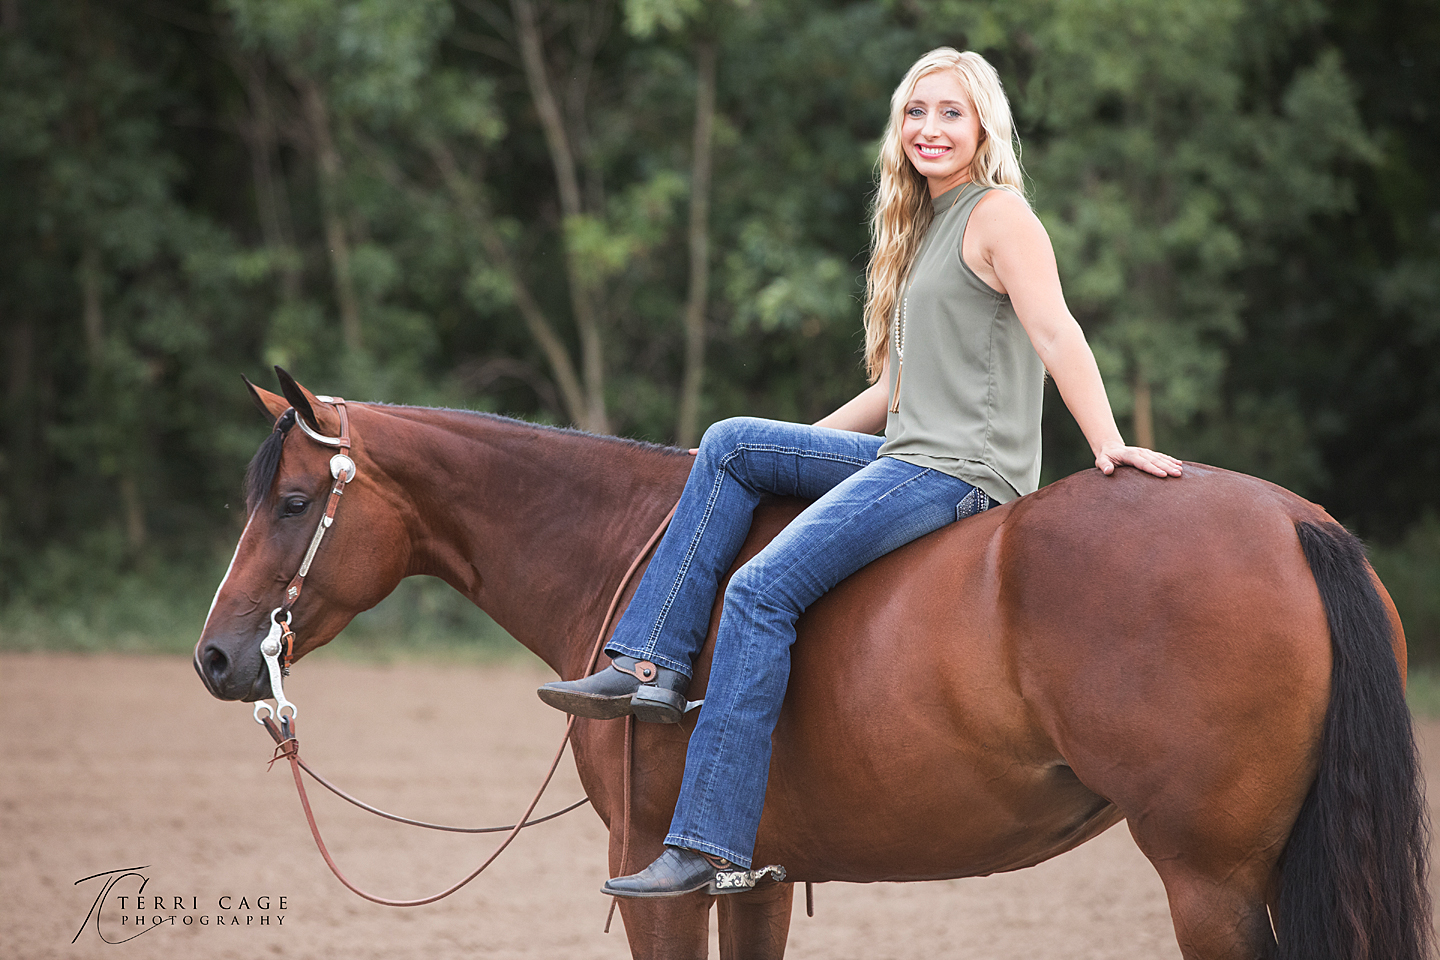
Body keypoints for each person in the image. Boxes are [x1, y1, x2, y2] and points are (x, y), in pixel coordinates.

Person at [538, 47, 1183, 898]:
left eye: (950, 112)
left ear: (984, 124)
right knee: (731, 443)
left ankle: (713, 842)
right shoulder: (924, 231)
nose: (930, 129)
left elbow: (1057, 333)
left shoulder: (1000, 217)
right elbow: (894, 390)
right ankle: (649, 666)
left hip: (958, 469)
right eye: (917, 112)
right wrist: (784, 454)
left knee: (761, 591)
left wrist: (1108, 444)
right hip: (904, 449)